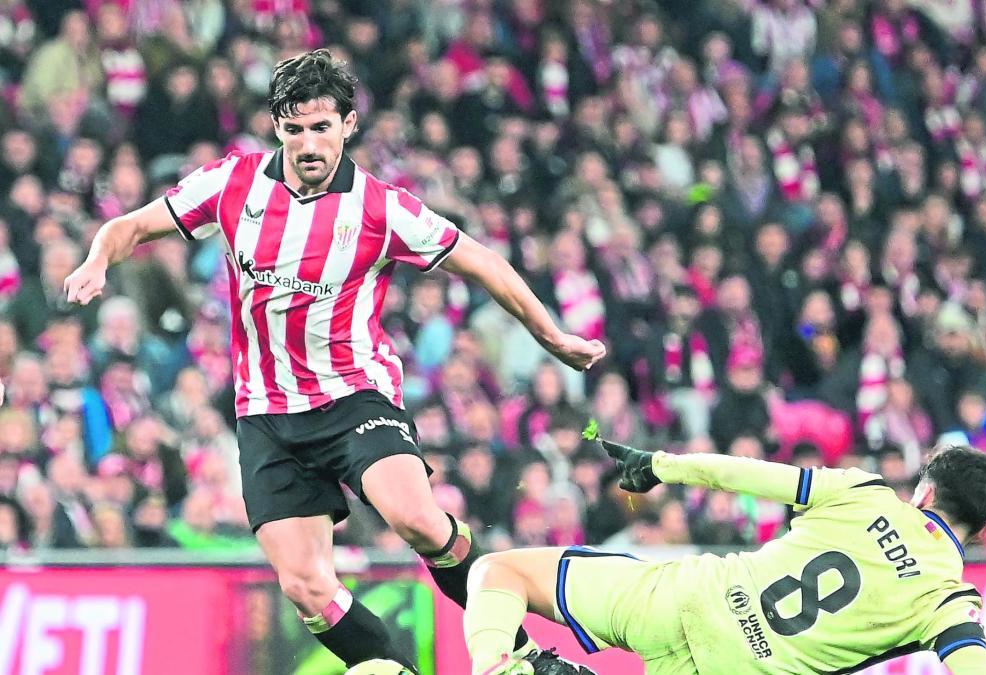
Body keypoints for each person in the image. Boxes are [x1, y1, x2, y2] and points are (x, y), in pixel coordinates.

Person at [63, 49, 605, 674]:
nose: (307, 144)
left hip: (354, 397)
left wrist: (551, 336)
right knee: (305, 586)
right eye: (293, 129)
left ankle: (526, 655)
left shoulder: (381, 207)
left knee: (417, 520)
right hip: (266, 414)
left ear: (348, 124)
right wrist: (97, 259)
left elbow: (482, 261)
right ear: (277, 127)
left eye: (321, 127)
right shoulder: (232, 183)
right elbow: (128, 227)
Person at [463, 434, 986, 674]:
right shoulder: (948, 601)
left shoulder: (862, 492)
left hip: (688, 600)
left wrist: (659, 465)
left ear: (924, 492)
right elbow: (974, 667)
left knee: (499, 571)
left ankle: (500, 669)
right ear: (981, 532)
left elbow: (744, 473)